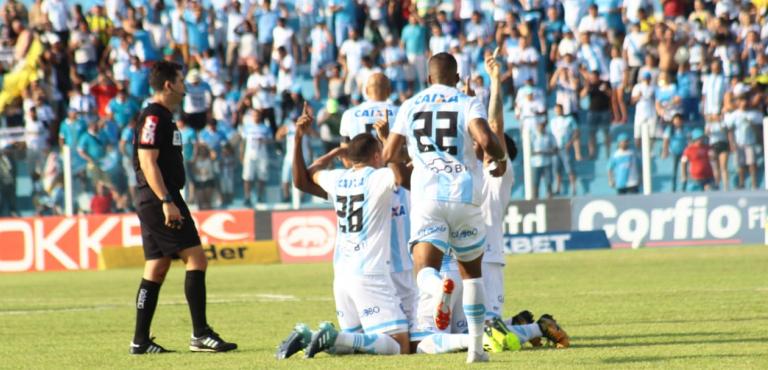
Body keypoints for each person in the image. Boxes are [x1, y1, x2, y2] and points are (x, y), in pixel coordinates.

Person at [382, 52, 507, 363]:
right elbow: (485, 138)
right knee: (472, 276)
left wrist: (415, 160)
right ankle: (476, 351)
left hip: (426, 199)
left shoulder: (410, 105)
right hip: (464, 195)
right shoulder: (466, 101)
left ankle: (439, 288)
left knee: (424, 269)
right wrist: (499, 159)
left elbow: (388, 153)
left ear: (428, 79)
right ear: (456, 78)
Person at [130, 61, 236, 354]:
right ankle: (200, 334)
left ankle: (140, 340)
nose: (184, 87)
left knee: (157, 266)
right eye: (180, 81)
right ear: (168, 85)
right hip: (159, 199)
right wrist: (166, 201)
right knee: (196, 259)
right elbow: (147, 162)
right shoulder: (153, 118)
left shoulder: (163, 117)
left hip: (155, 198)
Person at [289, 104, 412, 358]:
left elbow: (306, 177)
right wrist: (387, 139)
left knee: (354, 347)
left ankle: (311, 337)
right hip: (370, 273)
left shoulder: (337, 179)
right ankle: (334, 336)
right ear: (378, 156)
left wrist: (302, 139)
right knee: (401, 344)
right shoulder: (378, 178)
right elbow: (401, 177)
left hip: (342, 275)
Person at [550, 104, 581, 196]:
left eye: (559, 110)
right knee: (556, 169)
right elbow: (551, 134)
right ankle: (558, 188)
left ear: (562, 110)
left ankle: (573, 188)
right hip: (556, 148)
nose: (558, 111)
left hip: (565, 147)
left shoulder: (569, 120)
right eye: (556, 110)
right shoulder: (552, 121)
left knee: (569, 168)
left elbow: (576, 131)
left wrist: (570, 142)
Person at [662, 114, 688, 192]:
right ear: (673, 121)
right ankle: (673, 188)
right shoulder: (669, 129)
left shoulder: (685, 129)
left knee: (684, 170)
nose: (677, 122)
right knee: (674, 171)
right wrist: (665, 151)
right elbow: (666, 141)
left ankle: (684, 188)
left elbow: (689, 140)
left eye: (679, 120)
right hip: (674, 152)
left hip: (684, 153)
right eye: (676, 120)